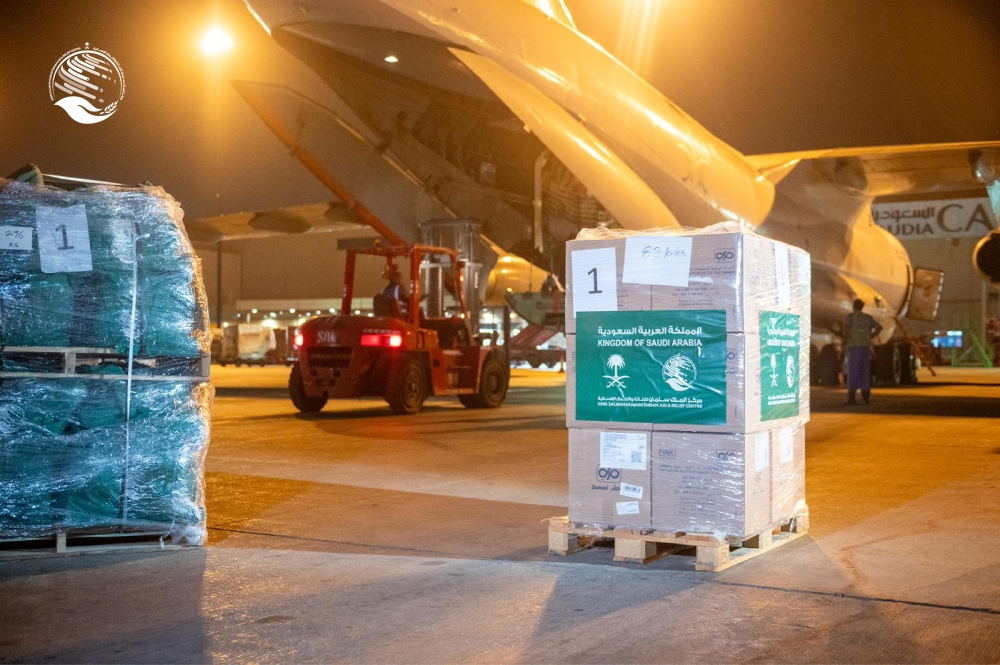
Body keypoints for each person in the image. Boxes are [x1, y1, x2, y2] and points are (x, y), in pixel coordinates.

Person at [842, 299, 882, 405]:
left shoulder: (850, 317)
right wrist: (870, 336)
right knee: (864, 372)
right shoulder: (867, 318)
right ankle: (866, 397)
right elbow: (879, 327)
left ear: (854, 306)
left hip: (854, 347)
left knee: (853, 372)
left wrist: (845, 340)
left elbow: (845, 330)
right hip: (865, 347)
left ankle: (851, 397)